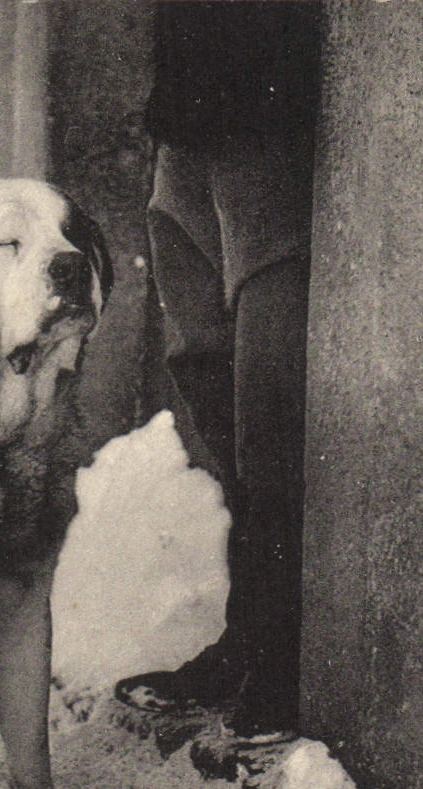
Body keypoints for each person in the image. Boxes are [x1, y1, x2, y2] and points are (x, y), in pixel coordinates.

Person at [114, 1, 323, 739]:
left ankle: (278, 660)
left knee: (269, 408)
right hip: (187, 111)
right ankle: (246, 640)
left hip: (273, 110)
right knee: (204, 370)